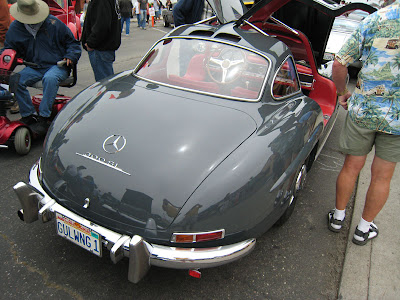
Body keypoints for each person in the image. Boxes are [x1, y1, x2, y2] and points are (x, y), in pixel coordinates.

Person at [328, 0, 400, 246]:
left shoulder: (377, 19)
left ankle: (337, 218)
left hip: (364, 110)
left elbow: (339, 63)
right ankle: (363, 229)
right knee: (382, 177)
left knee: (351, 167)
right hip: (398, 120)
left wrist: (340, 93)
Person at [4, 0, 81, 135]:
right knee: (16, 80)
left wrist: (70, 56)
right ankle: (29, 115)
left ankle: (44, 118)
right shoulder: (15, 28)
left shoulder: (53, 23)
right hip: (35, 66)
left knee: (50, 78)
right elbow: (8, 49)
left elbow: (73, 44)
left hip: (57, 65)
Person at [81, 0, 122, 82]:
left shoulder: (101, 1)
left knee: (104, 85)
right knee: (107, 82)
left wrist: (91, 43)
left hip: (100, 48)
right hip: (105, 47)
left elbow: (102, 26)